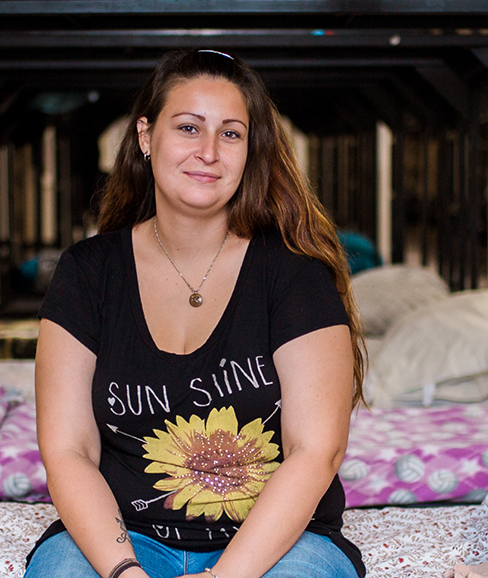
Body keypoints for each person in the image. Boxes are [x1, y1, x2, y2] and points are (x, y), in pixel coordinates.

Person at [26, 49, 368, 578]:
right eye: (189, 127)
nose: (208, 151)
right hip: (122, 537)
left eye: (231, 134)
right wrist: (124, 572)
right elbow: (68, 449)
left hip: (276, 545)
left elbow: (315, 451)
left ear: (250, 151)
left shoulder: (296, 274)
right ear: (145, 136)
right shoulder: (87, 273)